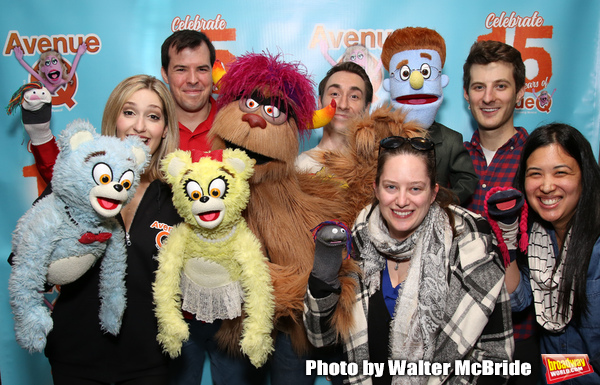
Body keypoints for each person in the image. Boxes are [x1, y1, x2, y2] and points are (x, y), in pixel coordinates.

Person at [304, 132, 514, 385]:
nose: (402, 201)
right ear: (376, 189)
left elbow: (497, 359)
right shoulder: (357, 241)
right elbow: (321, 339)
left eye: (415, 188)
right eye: (391, 187)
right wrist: (322, 279)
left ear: (433, 192)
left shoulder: (471, 247)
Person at [42, 74, 181, 384]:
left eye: (153, 116)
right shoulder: (77, 180)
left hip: (149, 362)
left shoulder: (180, 196)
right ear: (114, 119)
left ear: (165, 129)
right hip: (75, 356)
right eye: (129, 112)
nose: (140, 126)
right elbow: (30, 249)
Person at [462, 40, 539, 384]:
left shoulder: (538, 161)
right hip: (459, 337)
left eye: (501, 86)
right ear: (466, 93)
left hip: (519, 335)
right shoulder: (451, 160)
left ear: (519, 92)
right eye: (479, 87)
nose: (488, 97)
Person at [510, 123, 600, 384]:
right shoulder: (537, 237)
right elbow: (519, 301)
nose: (547, 186)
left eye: (561, 173)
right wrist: (508, 246)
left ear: (585, 176)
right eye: (535, 174)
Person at [381, 27, 478, 205]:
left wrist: (438, 203)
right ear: (389, 85)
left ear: (442, 82)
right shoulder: (381, 137)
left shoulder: (451, 140)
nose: (416, 81)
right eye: (405, 74)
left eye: (426, 72)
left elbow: (467, 180)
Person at [296, 61, 373, 173]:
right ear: (320, 103)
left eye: (354, 96)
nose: (343, 105)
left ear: (366, 109)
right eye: (335, 94)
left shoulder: (376, 170)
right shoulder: (297, 168)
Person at [160, 29, 217, 152]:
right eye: (181, 69)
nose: (192, 80)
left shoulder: (234, 124)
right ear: (165, 74)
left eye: (202, 69)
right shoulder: (151, 128)